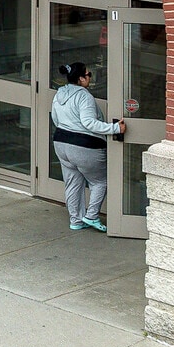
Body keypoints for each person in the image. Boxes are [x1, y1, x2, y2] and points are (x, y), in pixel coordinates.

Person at [50, 61, 124, 232]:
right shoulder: (84, 96)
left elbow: (55, 119)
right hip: (85, 146)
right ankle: (91, 216)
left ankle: (75, 220)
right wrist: (115, 128)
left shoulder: (59, 94)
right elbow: (89, 123)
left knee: (72, 183)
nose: (91, 77)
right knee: (100, 182)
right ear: (81, 79)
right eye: (89, 74)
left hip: (61, 142)